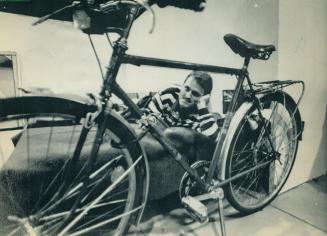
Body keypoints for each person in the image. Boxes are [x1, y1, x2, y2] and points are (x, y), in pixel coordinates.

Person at [139, 70, 220, 162]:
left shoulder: (201, 114)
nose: (188, 96)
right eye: (186, 88)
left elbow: (215, 143)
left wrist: (202, 106)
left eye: (195, 94)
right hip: (151, 140)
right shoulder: (169, 93)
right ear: (182, 86)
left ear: (203, 98)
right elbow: (147, 116)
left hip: (170, 160)